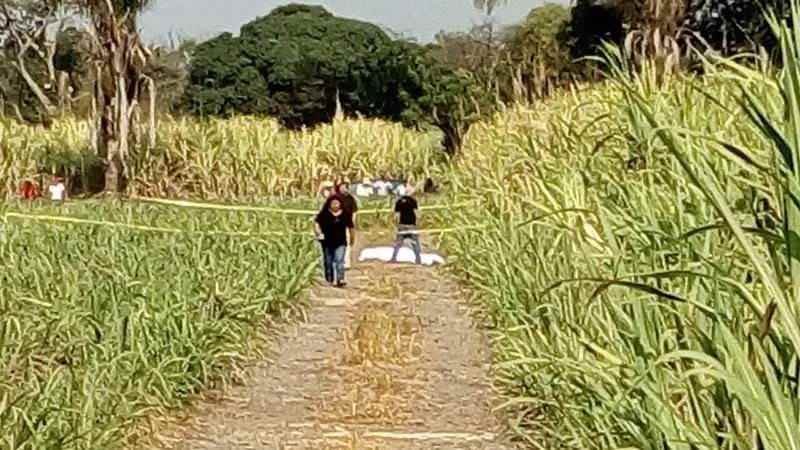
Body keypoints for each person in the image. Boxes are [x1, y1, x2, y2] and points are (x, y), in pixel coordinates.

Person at [314, 196, 355, 287]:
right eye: (333, 203)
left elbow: (351, 227)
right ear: (329, 204)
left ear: (340, 204)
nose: (335, 205)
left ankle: (340, 279)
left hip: (341, 242)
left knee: (339, 260)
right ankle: (329, 279)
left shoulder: (345, 214)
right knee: (328, 261)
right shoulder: (324, 214)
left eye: (337, 203)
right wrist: (318, 232)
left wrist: (352, 239)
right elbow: (316, 223)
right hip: (327, 242)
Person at [390, 184, 421, 265]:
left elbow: (396, 215)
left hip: (402, 224)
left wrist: (396, 224)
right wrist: (418, 223)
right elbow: (417, 213)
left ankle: (394, 258)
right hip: (411, 224)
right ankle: (418, 259)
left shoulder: (399, 201)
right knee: (415, 242)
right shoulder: (413, 201)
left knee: (398, 243)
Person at [335, 181, 359, 269]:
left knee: (347, 243)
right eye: (342, 187)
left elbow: (354, 212)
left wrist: (353, 223)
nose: (344, 188)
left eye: (346, 187)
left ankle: (346, 263)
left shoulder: (350, 199)